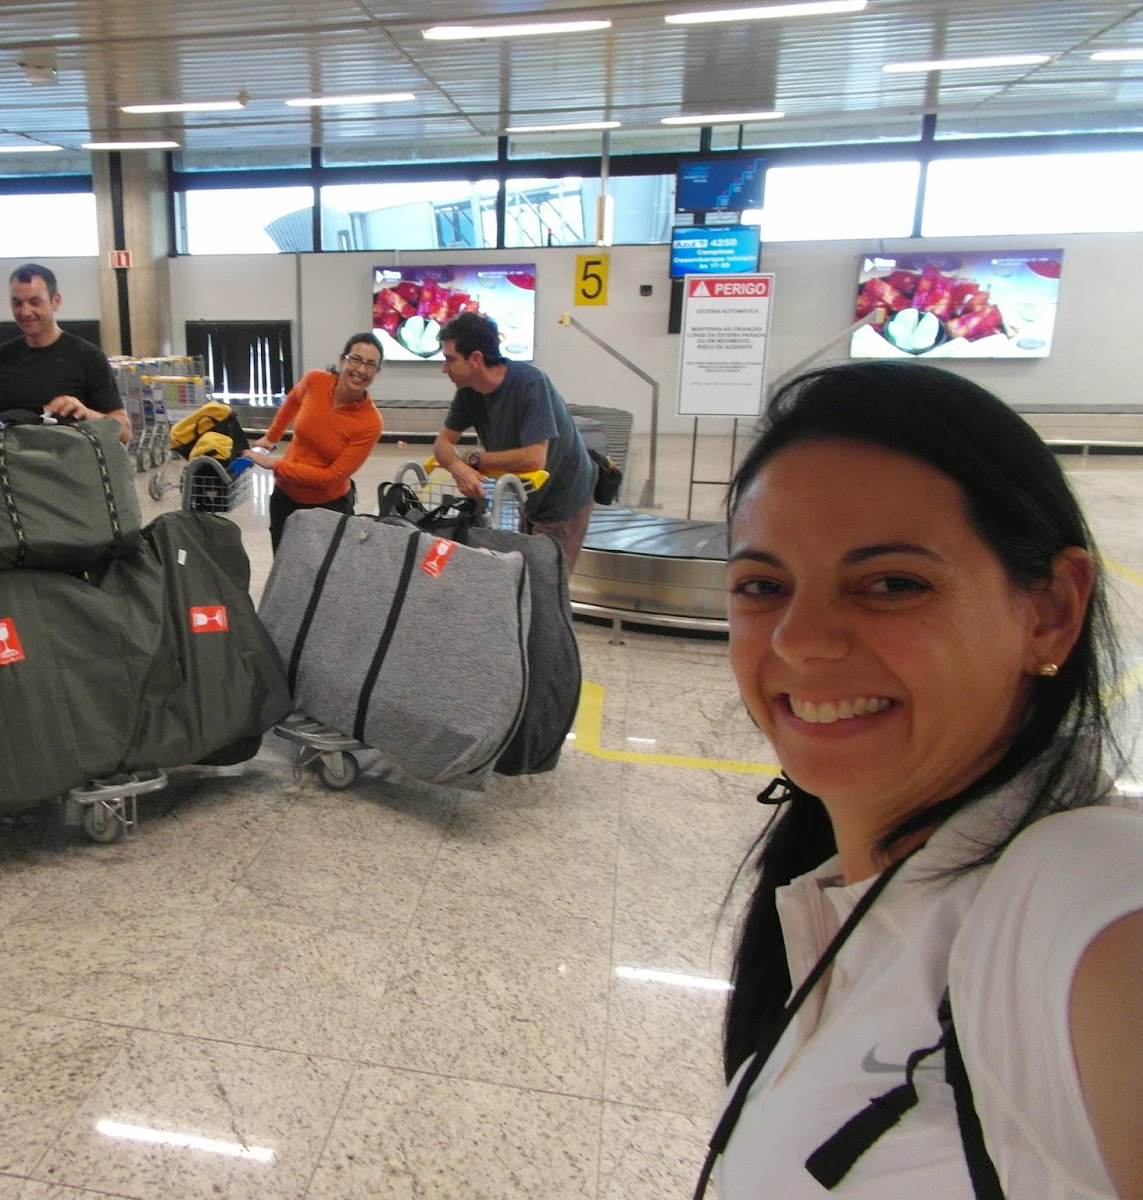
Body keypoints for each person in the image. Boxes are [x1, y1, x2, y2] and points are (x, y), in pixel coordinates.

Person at [704, 361, 1142, 1199]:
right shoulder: (840, 898)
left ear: (1050, 610)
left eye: (892, 584)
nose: (801, 640)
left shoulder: (1079, 902)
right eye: (763, 586)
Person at [432, 311, 595, 570]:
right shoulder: (468, 392)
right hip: (529, 497)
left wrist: (474, 460)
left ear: (476, 359)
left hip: (564, 496)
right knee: (526, 576)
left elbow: (534, 458)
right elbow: (442, 444)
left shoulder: (531, 383)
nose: (444, 369)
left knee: (548, 583)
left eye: (450, 359)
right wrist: (457, 467)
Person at [242, 332, 385, 551]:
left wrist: (276, 465)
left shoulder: (370, 422)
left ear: (376, 371)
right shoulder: (315, 381)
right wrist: (272, 435)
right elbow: (293, 399)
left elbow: (331, 478)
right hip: (284, 498)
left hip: (328, 508)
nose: (361, 370)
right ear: (342, 360)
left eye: (370, 364)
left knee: (323, 570)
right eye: (356, 359)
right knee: (283, 565)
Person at [0, 262, 128, 443]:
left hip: (70, 459)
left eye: (34, 302)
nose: (25, 311)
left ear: (55, 301)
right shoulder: (0, 358)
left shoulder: (88, 357)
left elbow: (124, 432)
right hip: (12, 459)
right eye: (17, 303)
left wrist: (86, 413)